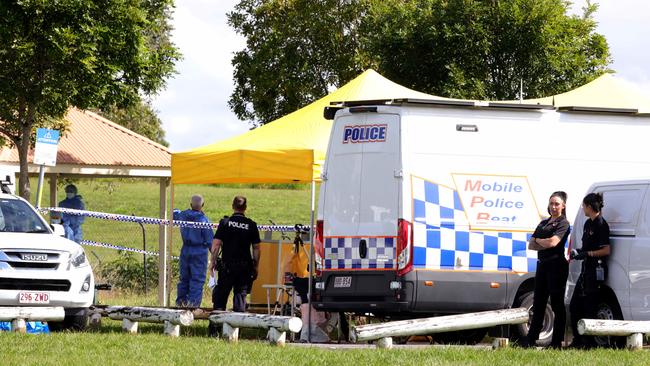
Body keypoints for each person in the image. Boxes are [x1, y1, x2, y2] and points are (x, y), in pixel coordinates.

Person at [524, 191, 571, 349]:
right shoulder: (544, 223)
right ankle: (531, 339)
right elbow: (531, 245)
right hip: (542, 264)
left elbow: (553, 243)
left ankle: (556, 342)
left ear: (563, 206)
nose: (553, 207)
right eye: (551, 203)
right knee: (538, 303)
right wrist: (540, 241)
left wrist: (539, 240)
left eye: (557, 204)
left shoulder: (563, 223)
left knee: (557, 305)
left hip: (556, 265)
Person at [569, 193, 611, 349]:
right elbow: (586, 248)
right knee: (575, 306)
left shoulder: (601, 224)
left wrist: (589, 254)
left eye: (584, 206)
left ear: (589, 206)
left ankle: (589, 343)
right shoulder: (588, 224)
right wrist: (579, 252)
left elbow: (606, 250)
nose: (582, 208)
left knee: (590, 307)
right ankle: (577, 340)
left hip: (596, 271)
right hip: (585, 270)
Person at [210, 196, 261, 312]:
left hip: (227, 266)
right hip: (244, 267)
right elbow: (256, 248)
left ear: (233, 206)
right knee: (240, 296)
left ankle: (216, 327)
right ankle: (236, 327)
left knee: (221, 295)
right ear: (245, 208)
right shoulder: (251, 225)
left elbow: (216, 244)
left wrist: (212, 262)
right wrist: (256, 266)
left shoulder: (225, 223)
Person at [173, 195, 213, 308]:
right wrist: (214, 257)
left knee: (184, 278)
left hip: (185, 250)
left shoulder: (183, 215)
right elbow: (210, 241)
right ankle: (192, 307)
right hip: (200, 252)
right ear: (203, 206)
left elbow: (174, 212)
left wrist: (176, 210)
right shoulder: (204, 221)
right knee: (197, 280)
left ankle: (180, 303)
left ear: (190, 205)